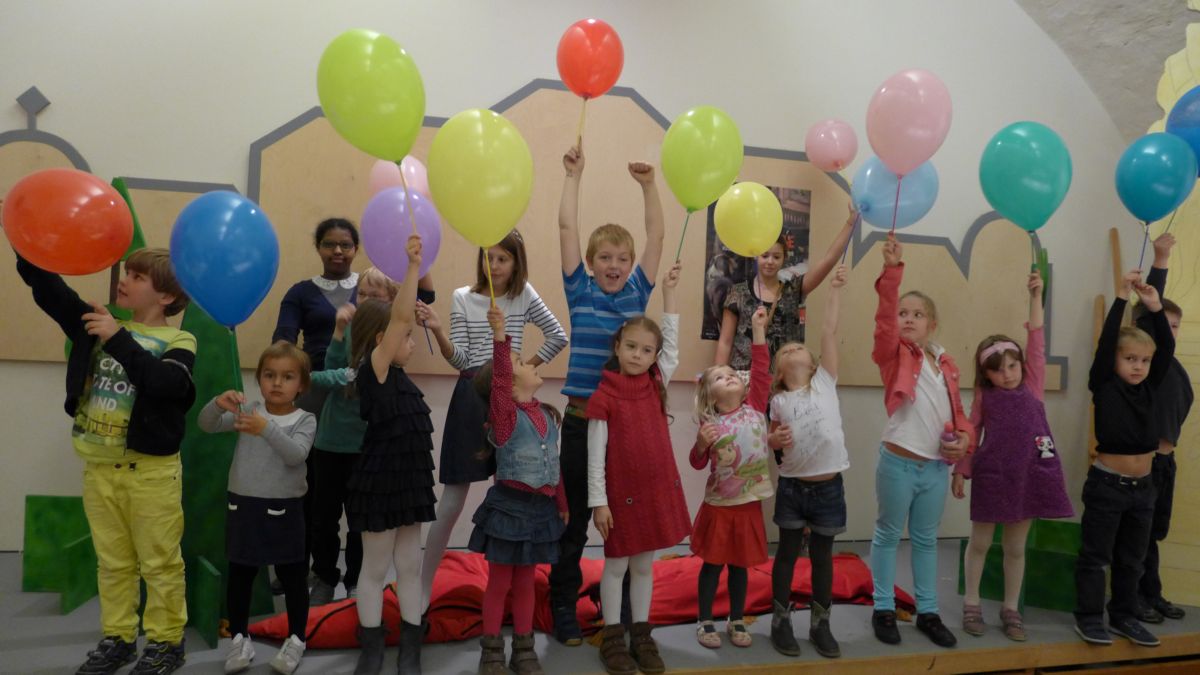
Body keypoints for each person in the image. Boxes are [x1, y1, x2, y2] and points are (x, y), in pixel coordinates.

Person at [17, 248, 195, 675]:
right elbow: (52, 292)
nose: (124, 280)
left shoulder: (179, 341)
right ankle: (119, 637)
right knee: (113, 562)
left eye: (137, 276)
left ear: (167, 296)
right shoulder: (98, 324)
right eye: (126, 272)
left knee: (159, 563)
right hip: (99, 469)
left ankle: (167, 642)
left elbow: (166, 384)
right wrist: (26, 245)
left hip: (151, 474)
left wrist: (117, 338)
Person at [415, 229, 567, 613]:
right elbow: (462, 360)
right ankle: (421, 586)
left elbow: (557, 336)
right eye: (489, 257)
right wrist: (438, 331)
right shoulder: (462, 297)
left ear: (516, 262)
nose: (494, 266)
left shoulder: (523, 294)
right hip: (472, 395)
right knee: (453, 499)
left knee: (513, 495)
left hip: (511, 402)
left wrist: (522, 370)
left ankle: (510, 590)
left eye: (503, 258)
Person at [551, 143, 665, 645]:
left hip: (628, 429)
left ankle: (623, 611)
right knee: (575, 520)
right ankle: (563, 605)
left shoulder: (638, 294)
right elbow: (566, 229)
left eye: (622, 258)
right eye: (605, 258)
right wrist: (573, 176)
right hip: (581, 423)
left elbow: (657, 235)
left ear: (632, 264)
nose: (614, 265)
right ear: (591, 264)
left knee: (629, 520)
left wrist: (649, 186)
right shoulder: (580, 291)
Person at [952, 272, 1072, 641]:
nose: (1006, 375)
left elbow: (1036, 339)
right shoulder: (985, 396)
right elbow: (971, 432)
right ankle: (972, 603)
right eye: (997, 370)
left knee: (1016, 547)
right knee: (981, 543)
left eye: (1012, 366)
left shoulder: (1033, 386)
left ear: (1022, 365)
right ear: (986, 374)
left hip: (1028, 477)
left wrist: (1036, 296)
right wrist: (960, 471)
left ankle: (1010, 608)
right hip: (994, 476)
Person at [869, 234, 973, 648]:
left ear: (932, 324)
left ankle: (928, 611)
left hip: (933, 469)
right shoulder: (893, 355)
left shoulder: (946, 364)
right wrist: (892, 270)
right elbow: (883, 321)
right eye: (903, 313)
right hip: (898, 463)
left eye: (917, 314)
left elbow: (960, 414)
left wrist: (964, 442)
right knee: (888, 534)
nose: (908, 319)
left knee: (927, 539)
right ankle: (883, 608)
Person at [586, 262, 690, 675]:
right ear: (618, 347)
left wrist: (669, 294)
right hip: (619, 499)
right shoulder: (604, 396)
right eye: (631, 347)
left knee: (644, 565)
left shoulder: (656, 383)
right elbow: (595, 456)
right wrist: (599, 502)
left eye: (647, 351)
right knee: (616, 566)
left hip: (654, 492)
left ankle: (642, 635)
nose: (638, 355)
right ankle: (613, 637)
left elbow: (673, 346)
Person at [198, 342, 317, 674]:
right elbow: (207, 424)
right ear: (259, 379)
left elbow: (296, 455)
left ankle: (297, 638)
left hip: (285, 509)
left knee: (292, 577)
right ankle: (239, 637)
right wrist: (216, 404)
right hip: (243, 506)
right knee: (240, 575)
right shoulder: (248, 410)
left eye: (287, 376)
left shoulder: (305, 419)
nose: (277, 383)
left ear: (301, 384)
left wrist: (266, 428)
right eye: (269, 375)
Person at [346, 236, 434, 674]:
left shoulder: (401, 378)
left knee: (410, 566)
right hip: (380, 485)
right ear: (384, 339)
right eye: (407, 338)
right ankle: (372, 648)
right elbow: (401, 316)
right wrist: (413, 267)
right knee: (375, 568)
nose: (411, 343)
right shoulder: (375, 369)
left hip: (409, 485)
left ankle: (411, 648)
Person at [1074, 269, 1174, 648]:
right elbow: (1106, 344)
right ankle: (1088, 617)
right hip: (1107, 486)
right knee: (1096, 556)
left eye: (1144, 361)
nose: (1138, 366)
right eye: (1130, 358)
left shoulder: (1150, 386)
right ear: (1115, 360)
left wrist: (1155, 307)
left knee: (1132, 559)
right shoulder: (1104, 383)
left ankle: (1124, 615)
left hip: (1144, 488)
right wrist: (1120, 297)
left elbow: (1165, 349)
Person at [470, 305, 568, 675]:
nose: (530, 363)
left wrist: (561, 503)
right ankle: (491, 651)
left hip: (540, 511)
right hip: (509, 512)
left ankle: (524, 649)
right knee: (499, 583)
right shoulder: (506, 417)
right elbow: (499, 381)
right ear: (509, 384)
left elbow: (553, 466)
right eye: (520, 362)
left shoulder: (546, 416)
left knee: (527, 582)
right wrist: (500, 337)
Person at [766, 264, 849, 659]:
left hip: (828, 488)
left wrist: (834, 290)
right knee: (785, 554)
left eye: (799, 347)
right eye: (786, 350)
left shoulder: (824, 382)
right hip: (792, 488)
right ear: (779, 372)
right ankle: (780, 621)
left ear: (814, 364)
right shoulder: (778, 400)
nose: (793, 349)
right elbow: (770, 440)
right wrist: (772, 439)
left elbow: (828, 331)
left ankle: (821, 623)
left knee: (821, 556)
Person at [307, 268, 397, 606]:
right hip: (331, 441)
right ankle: (324, 576)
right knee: (324, 517)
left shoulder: (391, 340)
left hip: (365, 445)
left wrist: (336, 376)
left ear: (391, 300)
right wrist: (338, 331)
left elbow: (364, 379)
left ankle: (356, 579)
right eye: (362, 294)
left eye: (376, 295)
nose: (367, 300)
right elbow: (329, 369)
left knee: (361, 519)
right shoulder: (347, 329)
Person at [690, 306, 774, 650]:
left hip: (748, 504)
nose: (729, 376)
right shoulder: (710, 423)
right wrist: (700, 444)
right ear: (710, 395)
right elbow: (697, 463)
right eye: (720, 377)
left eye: (732, 373)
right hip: (720, 506)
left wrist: (757, 330)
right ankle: (704, 618)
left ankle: (736, 617)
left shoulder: (755, 406)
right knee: (712, 566)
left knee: (740, 566)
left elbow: (762, 368)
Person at [714, 205, 857, 370]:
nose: (770, 262)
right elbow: (725, 342)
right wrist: (718, 377)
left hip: (786, 378)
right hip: (746, 378)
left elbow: (828, 260)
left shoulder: (794, 289)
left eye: (776, 257)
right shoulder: (738, 293)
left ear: (784, 259)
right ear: (756, 257)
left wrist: (850, 223)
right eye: (765, 256)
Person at [1134, 233, 1190, 625]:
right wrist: (1161, 258)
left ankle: (1151, 593)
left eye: (1175, 325)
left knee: (1153, 533)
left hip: (1166, 463)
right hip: (1145, 461)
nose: (1169, 330)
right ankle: (1136, 597)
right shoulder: (1150, 361)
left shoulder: (1175, 368)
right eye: (1163, 324)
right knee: (1137, 535)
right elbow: (1149, 306)